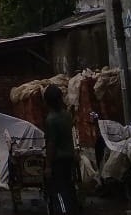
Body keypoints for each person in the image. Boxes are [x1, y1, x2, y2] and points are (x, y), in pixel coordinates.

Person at [43, 84, 78, 214]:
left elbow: (51, 144)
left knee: (58, 191)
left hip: (58, 160)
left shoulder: (51, 120)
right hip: (69, 157)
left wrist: (48, 166)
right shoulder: (67, 115)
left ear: (47, 102)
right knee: (69, 188)